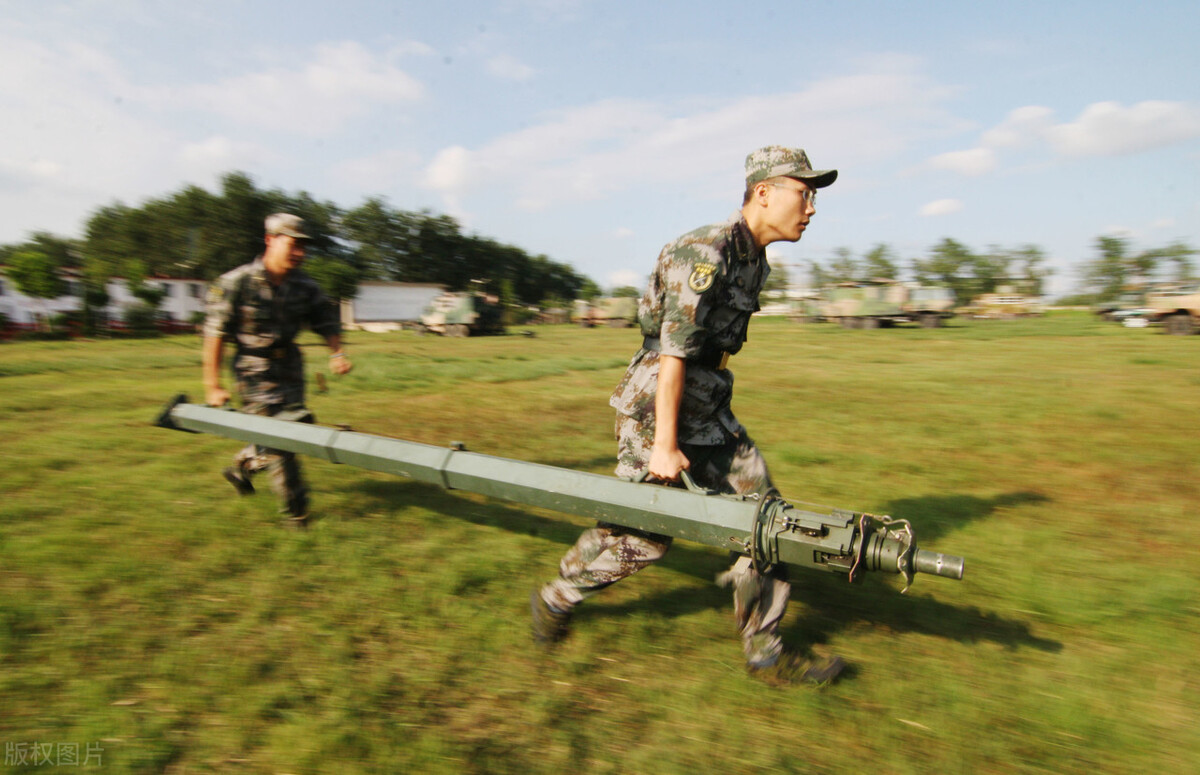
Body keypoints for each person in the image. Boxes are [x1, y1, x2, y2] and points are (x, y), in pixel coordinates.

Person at [531, 146, 843, 685]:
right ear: (763, 192)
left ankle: (765, 652)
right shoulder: (707, 252)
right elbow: (673, 352)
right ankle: (557, 597)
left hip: (709, 400)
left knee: (765, 519)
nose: (811, 207)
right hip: (659, 405)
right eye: (804, 192)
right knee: (645, 534)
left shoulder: (754, 259)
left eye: (814, 196)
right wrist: (663, 444)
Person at [201, 213, 352, 528]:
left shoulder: (305, 286)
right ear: (270, 240)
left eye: (303, 248)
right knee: (283, 441)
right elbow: (215, 334)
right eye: (293, 245)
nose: (300, 254)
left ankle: (244, 464)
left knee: (294, 431)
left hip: (291, 367)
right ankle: (297, 516)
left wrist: (337, 353)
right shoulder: (236, 282)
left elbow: (325, 321)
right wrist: (212, 385)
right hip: (253, 369)